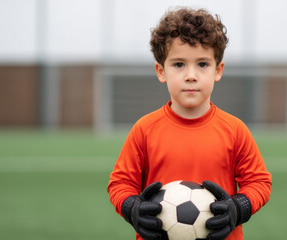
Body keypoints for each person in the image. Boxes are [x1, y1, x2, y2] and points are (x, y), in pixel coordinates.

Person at [107, 7, 272, 240]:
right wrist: (132, 207)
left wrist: (238, 207)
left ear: (218, 70)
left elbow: (259, 182)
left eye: (202, 64)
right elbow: (120, 184)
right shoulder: (144, 129)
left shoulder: (235, 130)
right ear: (161, 71)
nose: (191, 75)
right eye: (179, 64)